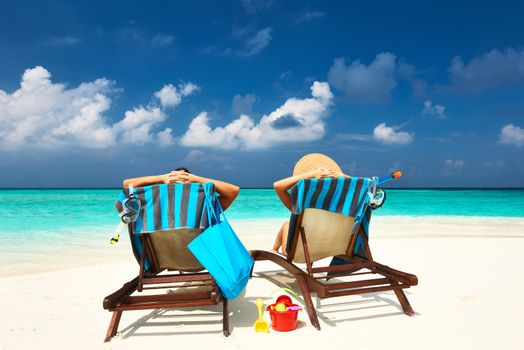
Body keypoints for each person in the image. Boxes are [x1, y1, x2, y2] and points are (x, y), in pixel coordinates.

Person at [271, 154, 348, 255]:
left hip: (303, 252)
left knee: (287, 224)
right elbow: (367, 186)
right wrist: (341, 176)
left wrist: (311, 174)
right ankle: (273, 249)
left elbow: (277, 186)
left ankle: (273, 249)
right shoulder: (341, 205)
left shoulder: (303, 207)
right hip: (334, 249)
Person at [123, 167, 240, 210]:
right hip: (198, 258)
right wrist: (195, 179)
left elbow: (127, 185)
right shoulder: (204, 208)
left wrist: (162, 178)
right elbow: (233, 191)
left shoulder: (155, 207)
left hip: (162, 257)